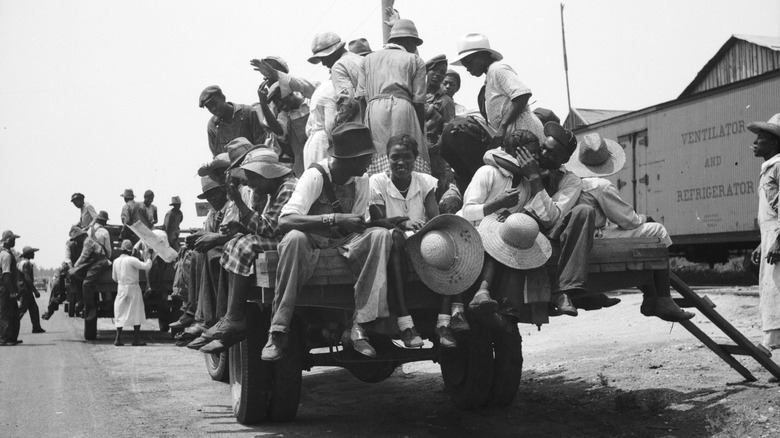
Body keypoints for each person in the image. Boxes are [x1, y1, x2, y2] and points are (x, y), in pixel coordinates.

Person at [261, 123, 393, 361]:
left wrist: (384, 223)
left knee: (382, 236)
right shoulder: (315, 175)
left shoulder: (361, 180)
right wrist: (334, 217)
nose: (370, 161)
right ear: (351, 158)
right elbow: (285, 221)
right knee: (293, 239)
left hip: (342, 244)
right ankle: (278, 330)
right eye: (366, 156)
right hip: (311, 244)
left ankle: (359, 325)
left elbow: (356, 225)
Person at [567, 132, 694, 320]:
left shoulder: (571, 181)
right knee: (657, 230)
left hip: (579, 237)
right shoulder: (599, 185)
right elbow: (627, 221)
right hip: (594, 238)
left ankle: (651, 297)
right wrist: (645, 218)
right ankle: (663, 299)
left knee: (643, 236)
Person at [369, 134, 467, 348]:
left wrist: (428, 232)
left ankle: (443, 323)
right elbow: (378, 220)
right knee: (394, 239)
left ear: (415, 159)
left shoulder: (423, 181)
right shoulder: (377, 182)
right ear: (387, 158)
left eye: (407, 157)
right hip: (393, 242)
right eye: (395, 157)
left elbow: (434, 218)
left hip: (421, 241)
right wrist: (402, 223)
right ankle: (405, 324)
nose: (401, 162)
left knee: (444, 242)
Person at [198, 149, 298, 354]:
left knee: (243, 245)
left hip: (293, 243)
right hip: (281, 238)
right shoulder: (276, 189)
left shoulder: (288, 187)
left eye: (253, 178)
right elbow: (266, 224)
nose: (250, 183)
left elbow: (269, 228)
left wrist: (241, 206)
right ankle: (231, 317)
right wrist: (241, 227)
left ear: (267, 174)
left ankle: (234, 318)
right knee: (236, 242)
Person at [356, 18, 430, 175]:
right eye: (415, 44)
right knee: (407, 154)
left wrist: (364, 127)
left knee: (378, 156)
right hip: (404, 110)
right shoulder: (415, 60)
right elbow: (418, 100)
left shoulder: (367, 60)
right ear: (409, 41)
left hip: (374, 111)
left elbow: (361, 98)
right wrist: (420, 133)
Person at [451, 33, 545, 146]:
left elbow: (522, 95)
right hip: (514, 136)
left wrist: (503, 127)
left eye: (469, 62)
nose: (467, 68)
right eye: (465, 65)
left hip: (525, 131)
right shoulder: (489, 78)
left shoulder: (497, 69)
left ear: (482, 55)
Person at [748, 113, 780, 350]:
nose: (755, 142)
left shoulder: (778, 167)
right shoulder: (769, 167)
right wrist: (763, 243)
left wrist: (778, 242)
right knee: (772, 295)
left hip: (778, 239)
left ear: (775, 143)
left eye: (760, 138)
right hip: (771, 237)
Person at [308, 31, 364, 124]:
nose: (323, 63)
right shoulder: (359, 59)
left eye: (324, 58)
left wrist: (336, 125)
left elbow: (348, 102)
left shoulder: (338, 67)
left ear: (333, 52)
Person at [258, 82, 309, 176]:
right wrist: (263, 105)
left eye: (279, 99)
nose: (279, 105)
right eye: (275, 102)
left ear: (290, 92)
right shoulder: (284, 116)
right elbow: (279, 131)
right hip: (303, 168)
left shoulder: (311, 102)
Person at [199, 85, 266, 157]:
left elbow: (260, 144)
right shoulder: (213, 125)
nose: (213, 109)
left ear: (223, 98)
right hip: (229, 167)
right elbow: (217, 156)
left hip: (254, 162)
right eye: (209, 108)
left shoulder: (248, 112)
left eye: (214, 104)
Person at [70, 211, 113, 322]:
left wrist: (75, 266)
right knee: (85, 282)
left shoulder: (89, 231)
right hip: (100, 261)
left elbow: (84, 255)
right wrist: (109, 260)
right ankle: (87, 306)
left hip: (95, 262)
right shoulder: (104, 231)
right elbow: (108, 250)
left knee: (85, 282)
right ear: (104, 221)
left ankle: (86, 306)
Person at [112, 239, 153, 346]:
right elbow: (146, 266)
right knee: (136, 312)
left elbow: (114, 278)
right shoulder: (132, 260)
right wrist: (149, 257)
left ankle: (118, 339)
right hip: (133, 288)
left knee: (120, 312)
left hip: (121, 288)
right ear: (131, 250)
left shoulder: (116, 261)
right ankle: (135, 339)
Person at [42, 227, 87, 320]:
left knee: (81, 285)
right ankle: (51, 309)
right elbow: (67, 258)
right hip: (72, 269)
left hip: (83, 269)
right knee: (56, 285)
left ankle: (81, 304)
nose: (77, 240)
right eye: (75, 239)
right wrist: (72, 269)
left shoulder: (87, 244)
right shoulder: (69, 244)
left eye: (78, 238)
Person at [303, 78, 337, 169]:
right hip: (324, 142)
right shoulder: (331, 89)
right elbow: (330, 127)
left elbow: (308, 129)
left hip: (312, 143)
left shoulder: (319, 91)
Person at [0, 230, 22, 346]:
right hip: (5, 289)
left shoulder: (8, 253)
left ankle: (12, 337)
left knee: (14, 313)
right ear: (8, 240)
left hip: (8, 288)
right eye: (13, 240)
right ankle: (4, 339)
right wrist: (12, 292)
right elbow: (6, 275)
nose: (14, 242)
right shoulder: (6, 255)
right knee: (5, 314)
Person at [17, 246, 45, 333]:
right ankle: (10, 328)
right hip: (26, 289)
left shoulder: (20, 263)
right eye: (32, 253)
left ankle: (36, 327)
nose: (34, 254)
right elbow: (27, 278)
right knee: (21, 310)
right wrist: (35, 290)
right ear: (28, 254)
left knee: (34, 308)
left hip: (22, 288)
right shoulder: (27, 263)